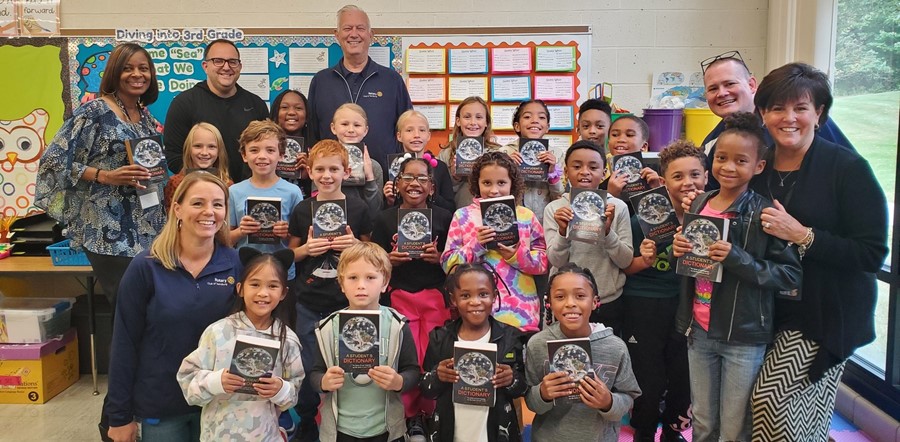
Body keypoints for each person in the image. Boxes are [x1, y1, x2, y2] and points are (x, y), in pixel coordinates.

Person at [748, 63, 888, 441]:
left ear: (819, 113)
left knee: (771, 401)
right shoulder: (757, 166)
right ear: (763, 113)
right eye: (777, 108)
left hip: (824, 312)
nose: (788, 118)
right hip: (764, 309)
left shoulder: (848, 168)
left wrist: (803, 235)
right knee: (789, 413)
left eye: (800, 108)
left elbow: (871, 253)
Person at [672, 113, 802, 442]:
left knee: (734, 427)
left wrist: (736, 258)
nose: (728, 167)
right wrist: (679, 246)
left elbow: (789, 275)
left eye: (740, 160)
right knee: (702, 421)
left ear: (758, 166)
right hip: (698, 330)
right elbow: (690, 260)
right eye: (721, 158)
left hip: (743, 337)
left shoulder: (762, 213)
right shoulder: (699, 203)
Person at [106, 172, 242, 442]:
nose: (209, 212)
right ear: (177, 209)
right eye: (198, 203)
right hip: (161, 404)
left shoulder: (235, 264)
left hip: (220, 403)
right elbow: (124, 343)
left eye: (217, 204)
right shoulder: (146, 267)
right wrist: (119, 416)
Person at [35, 43, 165, 309]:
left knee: (150, 309)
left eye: (143, 68)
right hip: (109, 231)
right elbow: (53, 161)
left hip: (149, 228)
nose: (137, 74)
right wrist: (104, 176)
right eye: (128, 68)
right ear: (114, 72)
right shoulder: (94, 112)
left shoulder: (144, 116)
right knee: (128, 310)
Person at [287, 139, 374, 442]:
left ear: (346, 171)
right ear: (309, 171)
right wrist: (308, 248)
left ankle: (344, 421)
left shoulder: (359, 207)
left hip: (346, 302)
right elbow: (291, 254)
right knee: (309, 363)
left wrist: (355, 246)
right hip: (309, 302)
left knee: (347, 362)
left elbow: (371, 253)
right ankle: (309, 420)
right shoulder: (301, 209)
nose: (327, 175)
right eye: (320, 169)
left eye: (334, 169)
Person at [621, 140, 703, 442]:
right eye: (678, 176)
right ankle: (643, 428)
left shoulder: (713, 218)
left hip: (691, 307)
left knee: (683, 373)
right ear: (663, 180)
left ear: (706, 177)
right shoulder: (643, 218)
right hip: (644, 304)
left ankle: (673, 429)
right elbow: (625, 267)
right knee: (647, 373)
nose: (687, 182)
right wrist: (645, 259)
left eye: (695, 174)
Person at [177, 248, 304, 441]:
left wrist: (280, 389)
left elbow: (293, 393)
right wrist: (216, 381)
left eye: (272, 286)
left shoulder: (288, 339)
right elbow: (187, 382)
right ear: (240, 288)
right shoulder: (218, 332)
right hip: (218, 435)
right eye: (254, 284)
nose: (263, 293)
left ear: (284, 293)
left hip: (265, 435)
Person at [373, 156, 453, 437]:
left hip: (434, 297)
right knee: (405, 356)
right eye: (408, 177)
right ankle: (409, 415)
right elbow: (375, 261)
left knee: (432, 354)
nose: (415, 183)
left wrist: (440, 259)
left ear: (432, 187)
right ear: (398, 183)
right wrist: (389, 260)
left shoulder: (445, 217)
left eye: (422, 179)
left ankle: (431, 412)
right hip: (400, 296)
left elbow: (455, 260)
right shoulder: (384, 219)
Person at [309, 242, 420, 442]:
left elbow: (412, 370)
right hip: (340, 431)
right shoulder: (327, 328)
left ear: (385, 282)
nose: (361, 285)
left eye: (370, 277)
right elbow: (315, 373)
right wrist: (323, 382)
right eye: (352, 278)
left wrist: (399, 382)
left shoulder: (397, 325)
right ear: (341, 283)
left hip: (387, 430)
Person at [699, 50, 854, 190]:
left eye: (730, 83)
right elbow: (710, 194)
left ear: (752, 84)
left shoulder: (803, 122)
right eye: (713, 88)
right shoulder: (712, 142)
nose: (722, 93)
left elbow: (851, 171)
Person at [524, 264, 641, 442]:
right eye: (560, 297)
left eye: (580, 296)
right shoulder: (538, 344)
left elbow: (629, 397)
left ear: (594, 302)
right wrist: (542, 393)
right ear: (549, 303)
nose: (570, 303)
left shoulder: (615, 347)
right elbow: (531, 402)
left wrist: (608, 402)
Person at [441, 151, 548, 333]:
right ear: (477, 183)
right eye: (487, 183)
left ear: (512, 184)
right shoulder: (463, 216)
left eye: (501, 183)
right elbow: (447, 264)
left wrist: (516, 255)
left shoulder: (526, 216)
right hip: (475, 314)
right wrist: (476, 246)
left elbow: (543, 263)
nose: (494, 190)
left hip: (521, 315)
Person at [420, 263, 527, 442]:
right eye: (465, 295)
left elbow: (524, 388)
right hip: (449, 432)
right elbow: (424, 388)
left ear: (494, 296)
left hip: (496, 433)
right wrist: (437, 376)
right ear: (453, 299)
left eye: (483, 294)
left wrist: (511, 379)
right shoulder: (440, 338)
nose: (475, 301)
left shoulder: (511, 337)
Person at [306, 4, 413, 171]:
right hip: (330, 181)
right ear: (337, 35)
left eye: (360, 28)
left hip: (382, 181)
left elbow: (407, 130)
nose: (353, 34)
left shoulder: (392, 80)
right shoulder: (321, 81)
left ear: (371, 35)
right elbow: (312, 134)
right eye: (347, 28)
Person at [543, 140, 632, 334]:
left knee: (606, 358)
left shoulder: (617, 207)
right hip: (566, 302)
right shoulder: (555, 209)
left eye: (593, 167)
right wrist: (562, 232)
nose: (585, 172)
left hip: (607, 299)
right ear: (566, 173)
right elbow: (555, 260)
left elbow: (625, 260)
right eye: (576, 166)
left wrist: (607, 233)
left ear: (604, 173)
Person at [164, 38, 269, 182]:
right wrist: (204, 184)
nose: (226, 67)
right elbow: (173, 155)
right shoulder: (184, 103)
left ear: (240, 66)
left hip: (248, 193)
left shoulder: (256, 105)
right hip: (204, 194)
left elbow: (267, 150)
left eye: (232, 61)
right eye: (218, 61)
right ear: (205, 66)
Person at [228, 120, 304, 280]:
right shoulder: (234, 191)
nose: (262, 156)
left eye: (270, 150)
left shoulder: (293, 192)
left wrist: (286, 233)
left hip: (282, 272)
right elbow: (226, 239)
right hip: (246, 271)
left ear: (281, 155)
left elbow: (300, 240)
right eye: (254, 150)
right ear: (244, 155)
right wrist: (241, 231)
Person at [498, 99, 562, 219]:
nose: (535, 121)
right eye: (527, 117)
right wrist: (507, 170)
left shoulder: (556, 155)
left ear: (547, 127)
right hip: (515, 220)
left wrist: (552, 172)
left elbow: (559, 196)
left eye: (541, 117)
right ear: (517, 126)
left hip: (545, 221)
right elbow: (497, 193)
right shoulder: (504, 153)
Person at [383, 110, 455, 213]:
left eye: (422, 130)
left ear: (428, 135)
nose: (416, 135)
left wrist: (429, 191)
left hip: (434, 224)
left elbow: (450, 207)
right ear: (399, 136)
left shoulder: (439, 167)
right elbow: (383, 212)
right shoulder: (391, 168)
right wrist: (389, 201)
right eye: (409, 130)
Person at [438, 96, 502, 209]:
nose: (473, 122)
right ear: (458, 121)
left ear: (486, 122)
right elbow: (439, 193)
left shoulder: (498, 153)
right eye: (467, 117)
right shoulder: (446, 154)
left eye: (479, 117)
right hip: (459, 215)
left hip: (490, 212)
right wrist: (455, 178)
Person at [164, 122, 232, 212]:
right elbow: (171, 219)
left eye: (211, 147)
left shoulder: (227, 184)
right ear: (188, 149)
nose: (204, 152)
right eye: (198, 146)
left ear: (219, 151)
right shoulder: (175, 183)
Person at [330, 103, 384, 213]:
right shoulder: (324, 163)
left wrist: (370, 177)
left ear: (366, 130)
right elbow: (317, 200)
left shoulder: (374, 166)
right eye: (344, 124)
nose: (351, 130)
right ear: (333, 128)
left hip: (364, 227)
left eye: (357, 125)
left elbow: (376, 211)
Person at [270, 89, 313, 197]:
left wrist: (311, 172)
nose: (292, 112)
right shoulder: (264, 148)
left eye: (298, 108)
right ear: (276, 113)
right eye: (284, 107)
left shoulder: (316, 150)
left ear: (307, 116)